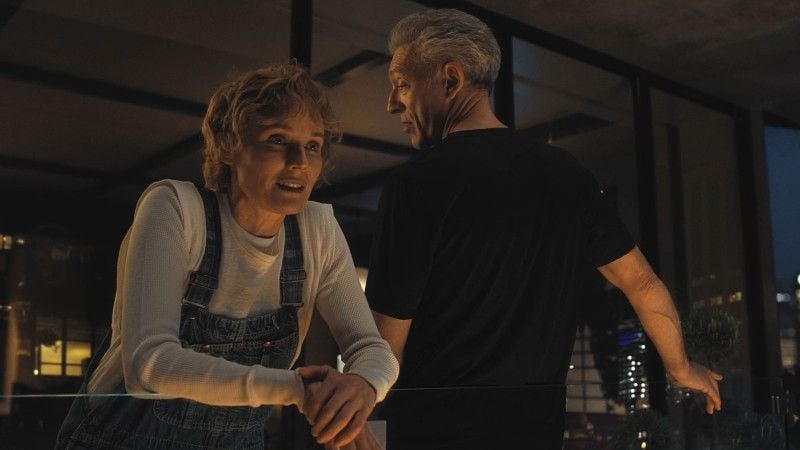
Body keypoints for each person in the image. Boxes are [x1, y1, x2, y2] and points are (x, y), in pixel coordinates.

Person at [364, 9, 723, 449]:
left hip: (433, 433)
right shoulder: (569, 175)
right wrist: (681, 367)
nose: (391, 103)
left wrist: (360, 421)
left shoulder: (417, 183)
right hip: (537, 432)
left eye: (401, 84)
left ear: (451, 79)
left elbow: (384, 346)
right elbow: (643, 284)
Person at [56, 62, 398, 449]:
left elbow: (371, 348)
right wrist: (300, 390)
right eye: (277, 139)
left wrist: (362, 387)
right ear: (228, 147)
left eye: (313, 145)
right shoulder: (176, 209)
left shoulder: (317, 230)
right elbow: (150, 364)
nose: (300, 161)